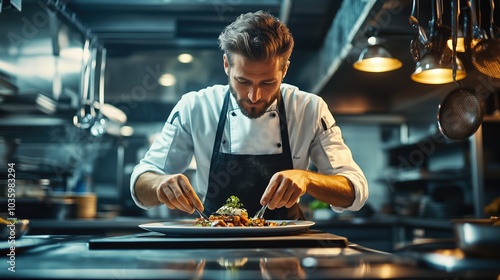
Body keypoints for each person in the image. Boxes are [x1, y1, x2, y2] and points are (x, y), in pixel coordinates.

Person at [130, 10, 368, 220]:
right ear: (226, 65)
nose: (254, 95)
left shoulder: (309, 109)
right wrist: (160, 184)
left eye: (267, 82)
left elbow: (355, 191)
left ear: (284, 70)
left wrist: (308, 179)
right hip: (213, 243)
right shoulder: (194, 107)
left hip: (286, 249)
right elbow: (141, 182)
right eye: (243, 81)